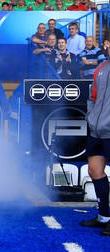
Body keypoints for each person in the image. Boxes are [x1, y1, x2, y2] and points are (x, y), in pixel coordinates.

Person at [81, 29, 110, 236]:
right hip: (96, 130)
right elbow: (92, 97)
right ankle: (104, 216)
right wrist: (91, 118)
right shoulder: (100, 68)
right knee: (94, 170)